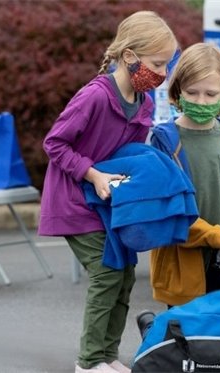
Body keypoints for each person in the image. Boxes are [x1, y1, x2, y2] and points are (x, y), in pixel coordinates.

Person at [38, 11, 177, 373]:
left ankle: (107, 356)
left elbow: (126, 155)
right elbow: (54, 143)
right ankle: (87, 362)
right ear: (130, 56)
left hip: (106, 203)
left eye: (166, 64)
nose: (162, 73)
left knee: (125, 274)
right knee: (106, 273)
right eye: (157, 63)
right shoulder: (94, 97)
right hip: (73, 201)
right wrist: (93, 173)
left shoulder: (144, 102)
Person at [149, 42, 220, 315]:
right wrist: (217, 236)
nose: (201, 101)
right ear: (177, 91)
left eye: (211, 94)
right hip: (184, 258)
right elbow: (167, 213)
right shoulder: (164, 141)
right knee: (192, 342)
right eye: (192, 92)